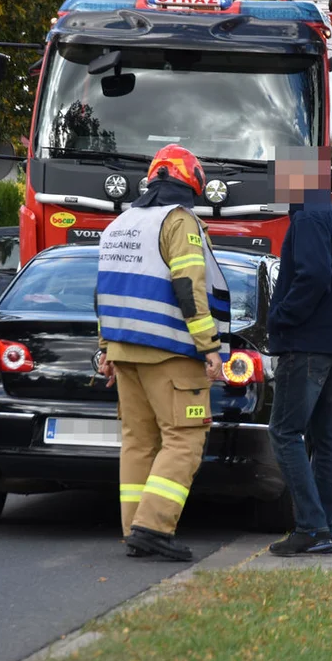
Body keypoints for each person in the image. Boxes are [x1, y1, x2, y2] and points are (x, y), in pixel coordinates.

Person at [95, 144, 229, 561]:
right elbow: (189, 286)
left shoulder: (120, 223)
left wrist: (106, 350)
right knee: (184, 439)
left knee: (138, 441)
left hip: (124, 351)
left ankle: (134, 527)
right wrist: (210, 347)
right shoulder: (180, 221)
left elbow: (104, 292)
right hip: (171, 351)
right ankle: (153, 527)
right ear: (191, 183)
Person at [266, 146, 332, 556]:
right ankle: (324, 528)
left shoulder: (307, 219)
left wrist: (282, 316)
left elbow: (314, 276)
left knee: (285, 433)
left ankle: (310, 526)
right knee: (325, 439)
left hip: (306, 345)